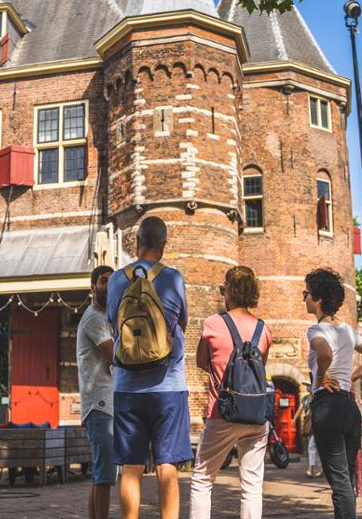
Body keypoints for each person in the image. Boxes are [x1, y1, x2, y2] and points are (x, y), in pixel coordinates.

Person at [106, 216, 191, 519]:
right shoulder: (174, 278)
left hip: (127, 388)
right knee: (167, 466)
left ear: (137, 242)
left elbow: (113, 326)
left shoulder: (116, 280)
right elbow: (182, 324)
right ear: (164, 245)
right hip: (169, 387)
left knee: (131, 466)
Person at [190, 266, 273, 519]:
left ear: (229, 292)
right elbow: (259, 368)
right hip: (256, 415)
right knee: (252, 484)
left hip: (222, 412)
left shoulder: (213, 323)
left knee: (203, 478)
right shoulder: (264, 329)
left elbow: (201, 362)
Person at [305, 268, 362, 519]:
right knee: (346, 480)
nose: (304, 298)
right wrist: (352, 377)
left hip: (328, 407)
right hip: (349, 408)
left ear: (317, 298)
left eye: (306, 293)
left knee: (339, 484)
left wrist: (320, 377)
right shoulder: (347, 330)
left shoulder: (316, 330)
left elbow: (324, 353)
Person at [77, 264, 116, 519]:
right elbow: (115, 355)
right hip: (100, 404)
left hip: (104, 403)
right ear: (93, 286)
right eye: (103, 281)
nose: (108, 286)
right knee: (105, 474)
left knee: (101, 473)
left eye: (112, 281)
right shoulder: (94, 318)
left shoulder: (105, 317)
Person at [295, 384, 322, 477]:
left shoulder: (318, 397)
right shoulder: (306, 398)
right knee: (315, 447)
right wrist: (294, 419)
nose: (308, 388)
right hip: (309, 425)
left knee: (311, 446)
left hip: (318, 423)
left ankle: (311, 468)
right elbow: (300, 409)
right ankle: (320, 469)